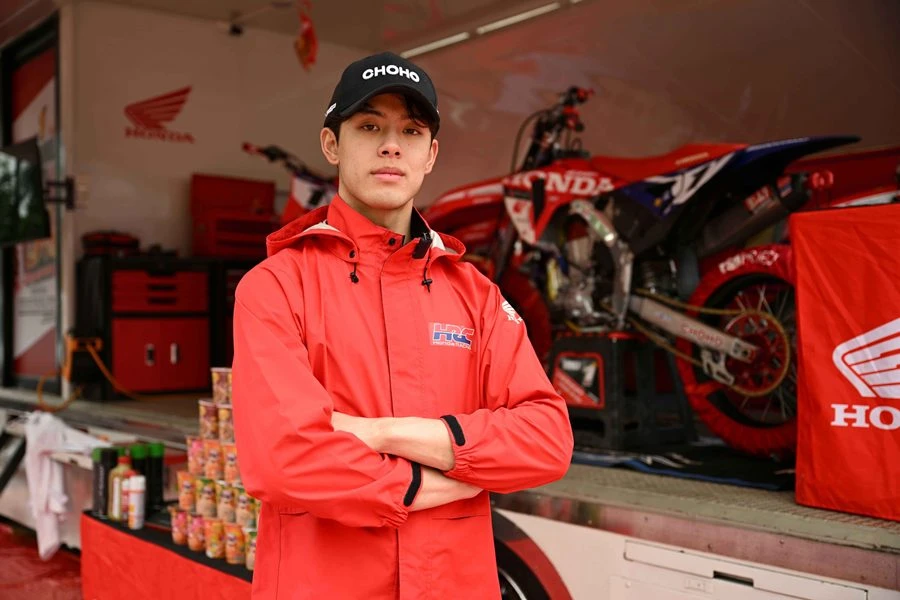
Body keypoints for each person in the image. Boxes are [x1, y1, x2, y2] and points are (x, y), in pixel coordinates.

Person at [231, 51, 574, 600]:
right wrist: (432, 481)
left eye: (411, 131)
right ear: (332, 144)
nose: (392, 145)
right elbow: (283, 458)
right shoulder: (275, 286)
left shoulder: (477, 296)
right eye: (370, 127)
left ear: (430, 154)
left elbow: (547, 439)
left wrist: (380, 433)